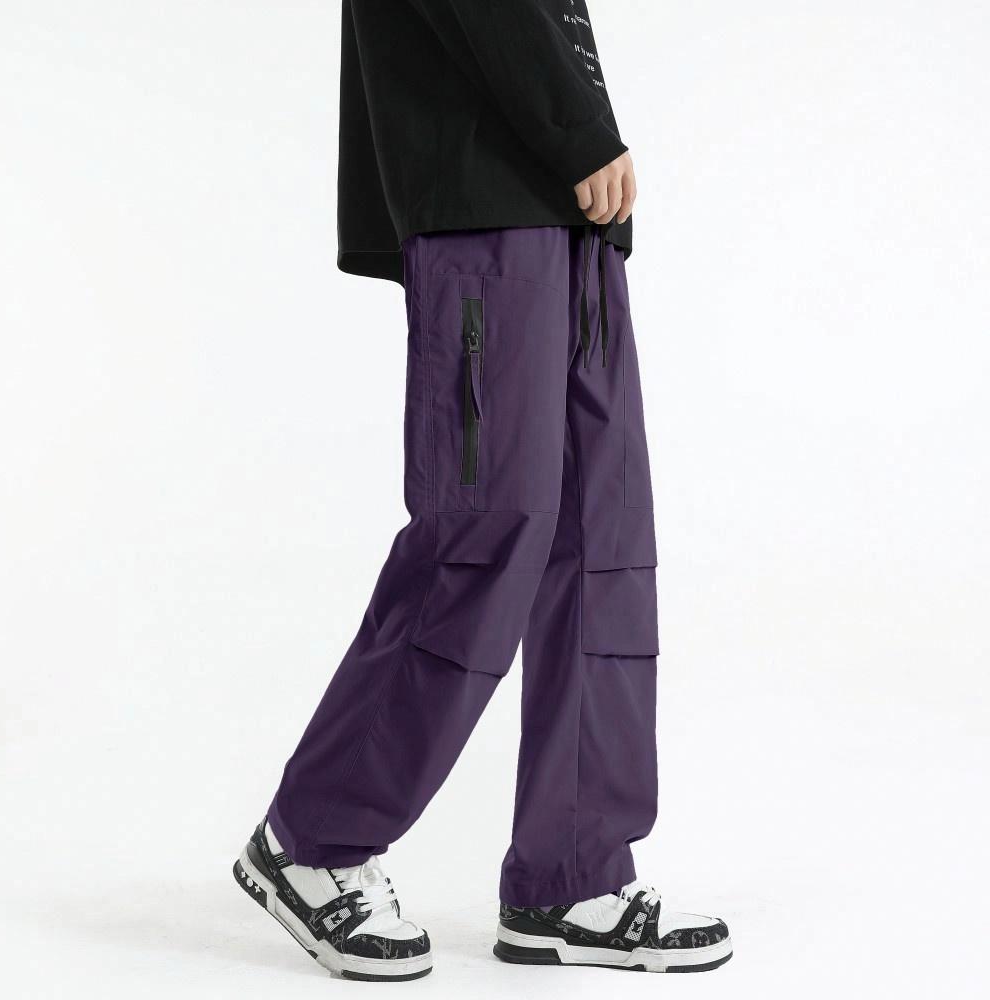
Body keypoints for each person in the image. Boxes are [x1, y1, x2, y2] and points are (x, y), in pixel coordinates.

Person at [233, 0, 732, 982]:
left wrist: (579, 142)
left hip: (570, 213)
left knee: (600, 544)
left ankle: (571, 876)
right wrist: (575, 127)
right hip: (486, 198)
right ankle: (312, 840)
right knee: (483, 532)